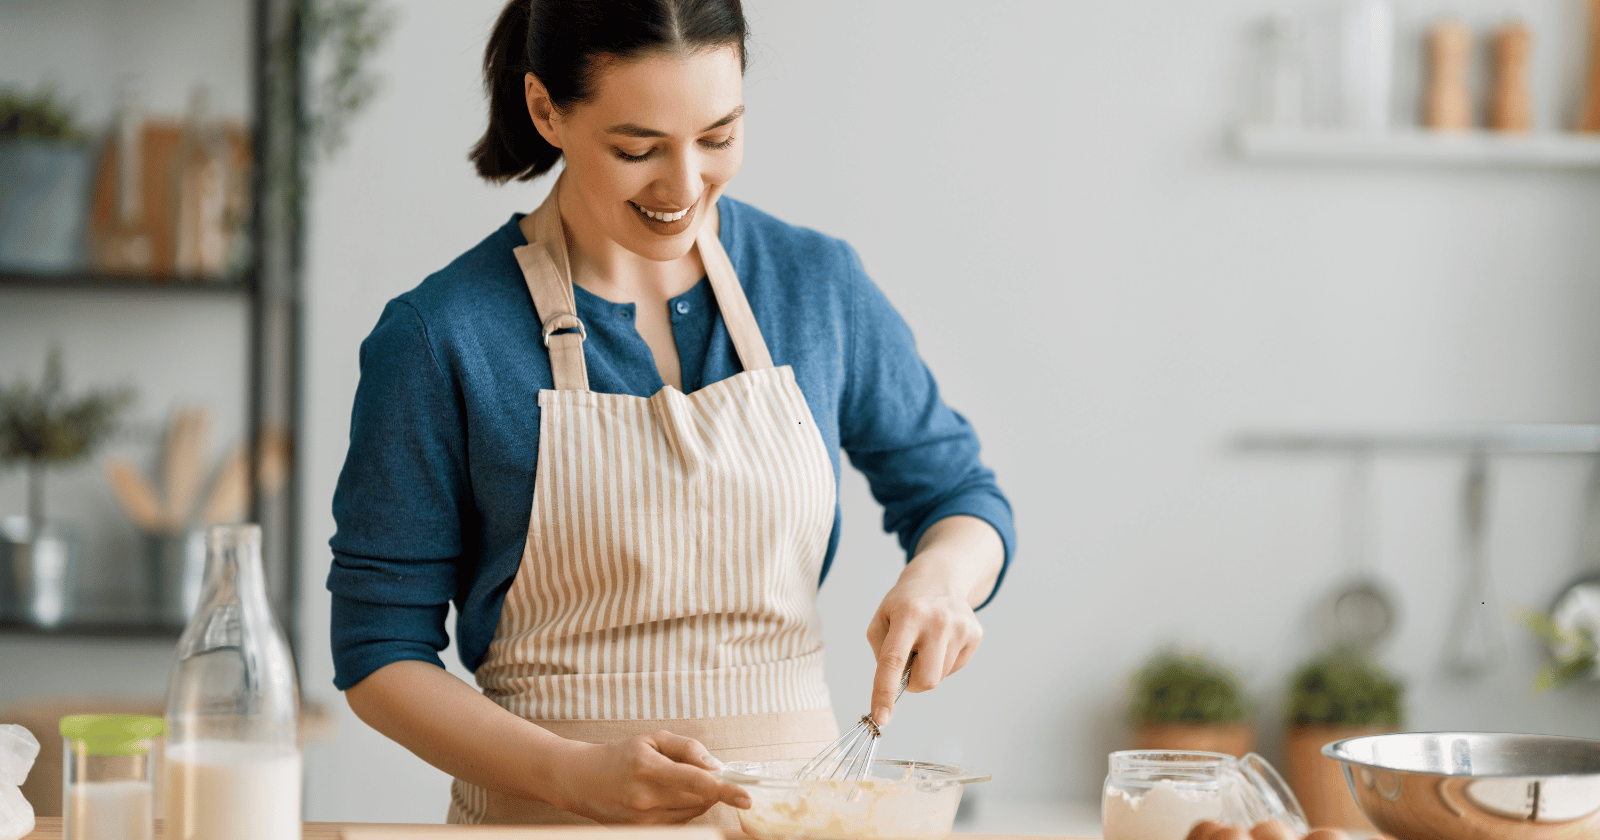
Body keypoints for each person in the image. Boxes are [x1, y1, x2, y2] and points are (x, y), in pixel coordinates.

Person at [328, 0, 1014, 827]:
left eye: (719, 137)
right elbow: (379, 656)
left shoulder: (815, 285)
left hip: (793, 822)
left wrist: (941, 580)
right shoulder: (441, 336)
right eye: (636, 148)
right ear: (546, 109)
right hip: (550, 824)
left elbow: (960, 497)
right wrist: (573, 774)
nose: (684, 187)